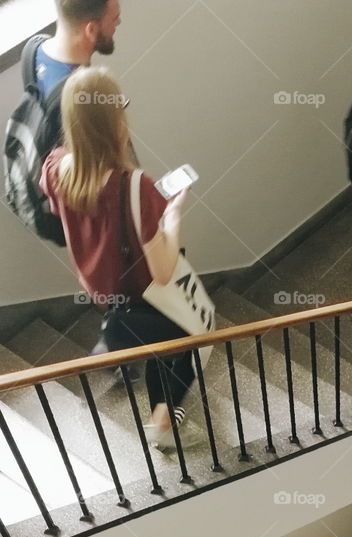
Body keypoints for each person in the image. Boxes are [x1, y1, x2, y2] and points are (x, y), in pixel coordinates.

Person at [41, 67, 200, 451]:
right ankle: (162, 421)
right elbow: (162, 272)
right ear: (116, 119)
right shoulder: (137, 187)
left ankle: (119, 350)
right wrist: (173, 216)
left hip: (103, 289)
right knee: (191, 339)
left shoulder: (55, 168)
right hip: (143, 289)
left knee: (150, 339)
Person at [34, 0, 122, 103]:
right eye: (115, 18)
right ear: (92, 30)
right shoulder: (86, 98)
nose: (118, 22)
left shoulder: (34, 50)